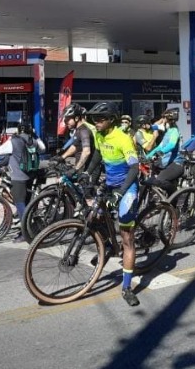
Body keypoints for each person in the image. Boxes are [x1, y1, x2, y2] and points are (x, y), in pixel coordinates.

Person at [88, 102, 142, 306]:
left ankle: (127, 287)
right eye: (94, 119)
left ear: (111, 120)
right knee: (94, 216)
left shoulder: (122, 138)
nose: (96, 122)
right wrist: (86, 174)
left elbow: (135, 168)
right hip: (110, 184)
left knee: (127, 237)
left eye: (100, 119)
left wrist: (121, 192)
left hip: (127, 186)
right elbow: (97, 155)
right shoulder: (98, 134)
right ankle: (109, 245)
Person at [0, 122, 47, 242]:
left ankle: (26, 232)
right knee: (26, 201)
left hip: (18, 176)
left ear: (18, 131)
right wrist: (35, 136)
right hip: (30, 175)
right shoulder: (33, 140)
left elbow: (0, 151)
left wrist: (11, 138)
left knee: (20, 204)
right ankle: (29, 224)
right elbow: (43, 148)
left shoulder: (14, 140)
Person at [145, 108, 182, 189]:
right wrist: (147, 157)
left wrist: (160, 152)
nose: (162, 120)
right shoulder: (168, 131)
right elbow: (160, 147)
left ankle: (174, 193)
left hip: (175, 163)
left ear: (168, 119)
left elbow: (171, 145)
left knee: (160, 180)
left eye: (164, 118)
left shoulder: (174, 131)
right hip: (166, 162)